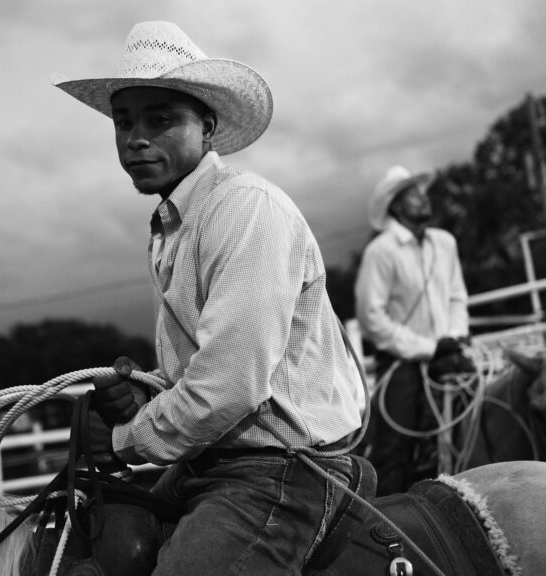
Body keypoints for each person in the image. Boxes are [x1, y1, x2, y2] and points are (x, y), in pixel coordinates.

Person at [54, 21, 362, 575]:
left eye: (161, 119)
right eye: (124, 123)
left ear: (208, 128)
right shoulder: (173, 224)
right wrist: (145, 391)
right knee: (89, 545)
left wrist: (125, 437)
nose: (135, 138)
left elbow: (229, 384)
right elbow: (203, 367)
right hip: (217, 459)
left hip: (282, 468)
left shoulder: (244, 209)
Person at [354, 165, 471, 496]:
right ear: (395, 206)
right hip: (403, 363)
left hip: (448, 352)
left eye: (422, 192)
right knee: (396, 451)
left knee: (487, 410)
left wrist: (455, 335)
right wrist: (429, 348)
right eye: (411, 194)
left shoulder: (444, 243)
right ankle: (392, 517)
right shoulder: (382, 251)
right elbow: (371, 318)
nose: (422, 197)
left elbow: (456, 295)